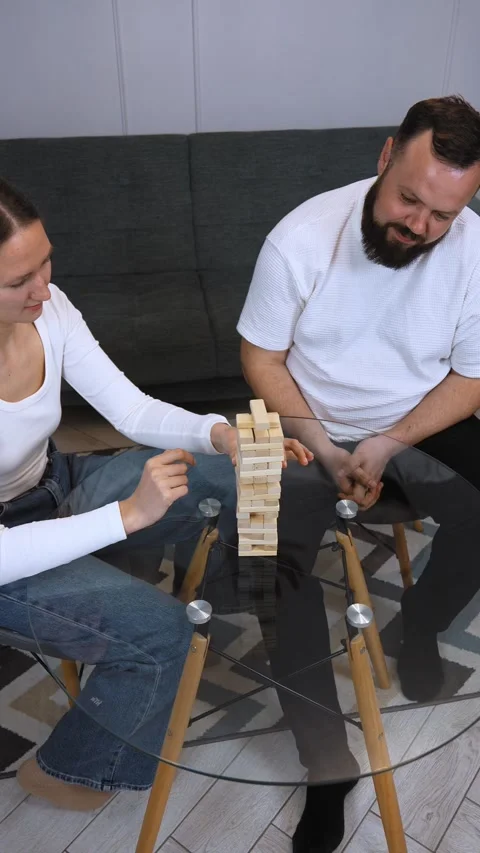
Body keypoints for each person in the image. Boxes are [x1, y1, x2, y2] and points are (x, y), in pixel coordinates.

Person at [0, 176, 311, 812]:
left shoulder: (49, 308)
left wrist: (221, 435)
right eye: (18, 281)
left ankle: (242, 592)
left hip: (58, 486)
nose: (43, 288)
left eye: (45, 262)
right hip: (9, 555)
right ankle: (71, 770)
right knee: (164, 634)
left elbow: (129, 407)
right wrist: (128, 515)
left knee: (237, 474)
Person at [238, 95, 480, 853]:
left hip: (408, 426)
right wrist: (330, 445)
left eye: (442, 215)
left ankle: (421, 628)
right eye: (410, 199)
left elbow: (472, 378)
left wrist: (386, 441)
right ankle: (327, 763)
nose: (419, 226)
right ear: (384, 157)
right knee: (268, 559)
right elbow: (260, 359)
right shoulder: (299, 239)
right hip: (300, 422)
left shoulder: (473, 249)